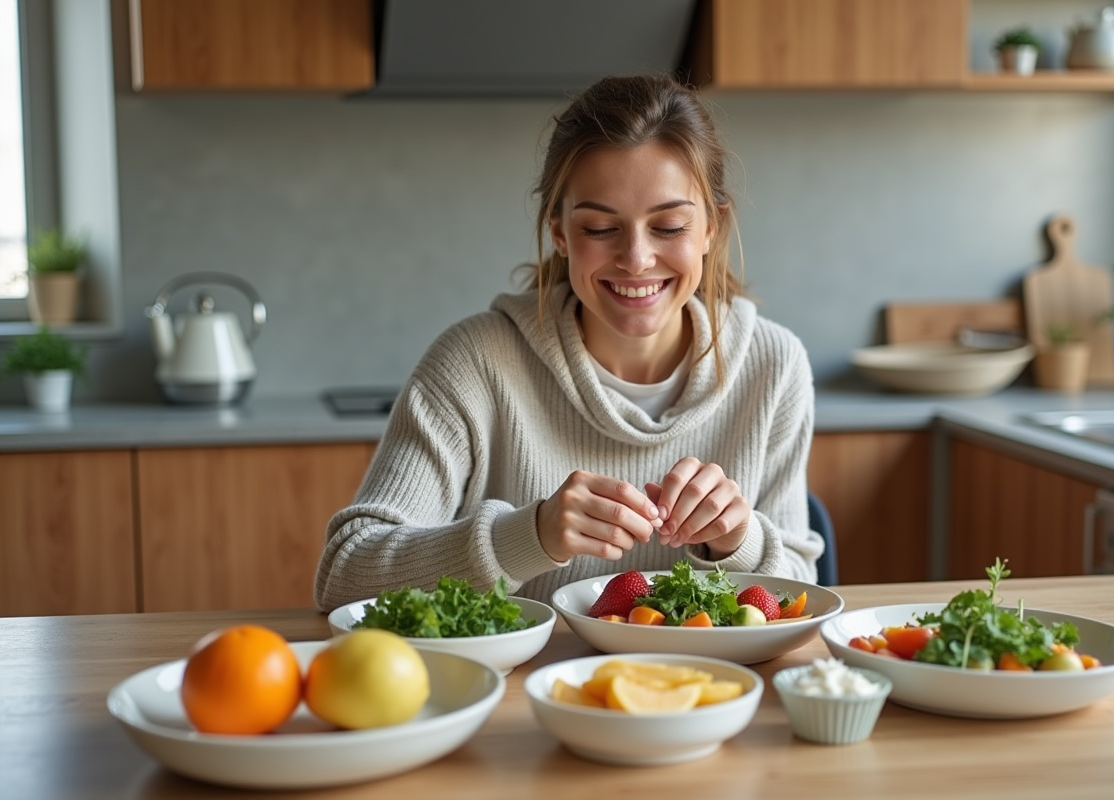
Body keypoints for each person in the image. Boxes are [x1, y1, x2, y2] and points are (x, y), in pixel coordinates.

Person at [313, 74, 823, 611]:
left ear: (711, 229)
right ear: (558, 231)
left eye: (669, 227)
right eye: (600, 229)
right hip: (517, 693)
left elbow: (805, 592)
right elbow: (345, 574)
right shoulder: (473, 363)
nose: (636, 259)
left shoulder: (774, 366)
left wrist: (739, 542)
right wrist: (526, 537)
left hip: (710, 693)